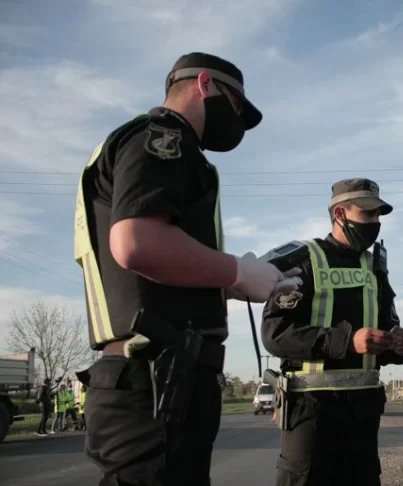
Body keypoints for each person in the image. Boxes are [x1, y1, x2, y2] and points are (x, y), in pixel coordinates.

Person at [73, 52, 301, 486]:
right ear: (205, 85)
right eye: (236, 105)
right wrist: (234, 271)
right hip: (154, 378)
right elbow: (137, 243)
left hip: (155, 376)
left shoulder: (137, 144)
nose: (236, 121)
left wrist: (229, 284)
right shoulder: (163, 137)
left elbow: (147, 275)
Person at [261, 178, 403, 486]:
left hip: (363, 411)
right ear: (339, 215)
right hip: (311, 410)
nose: (374, 223)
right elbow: (275, 333)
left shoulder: (376, 267)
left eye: (378, 216)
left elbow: (386, 325)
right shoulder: (304, 259)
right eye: (367, 214)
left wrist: (397, 343)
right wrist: (348, 342)